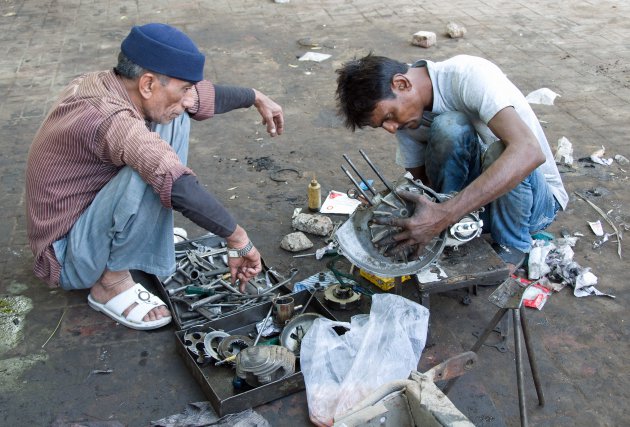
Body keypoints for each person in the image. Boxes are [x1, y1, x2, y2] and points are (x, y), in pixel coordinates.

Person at [25, 23, 284, 330]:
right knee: (154, 172)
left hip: (86, 215)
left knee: (173, 116)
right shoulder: (109, 118)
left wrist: (255, 96)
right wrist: (238, 239)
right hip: (66, 254)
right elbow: (173, 181)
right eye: (184, 88)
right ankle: (109, 283)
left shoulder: (116, 84)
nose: (189, 97)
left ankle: (148, 236)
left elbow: (199, 96)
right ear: (147, 84)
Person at [335, 54, 567, 272]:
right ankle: (453, 230)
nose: (391, 128)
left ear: (402, 84)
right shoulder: (407, 120)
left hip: (535, 206)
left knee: (482, 140)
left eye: (389, 117)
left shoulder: (469, 77)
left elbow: (528, 151)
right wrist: (413, 216)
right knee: (449, 129)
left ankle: (513, 245)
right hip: (476, 209)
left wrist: (444, 215)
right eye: (383, 125)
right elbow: (422, 184)